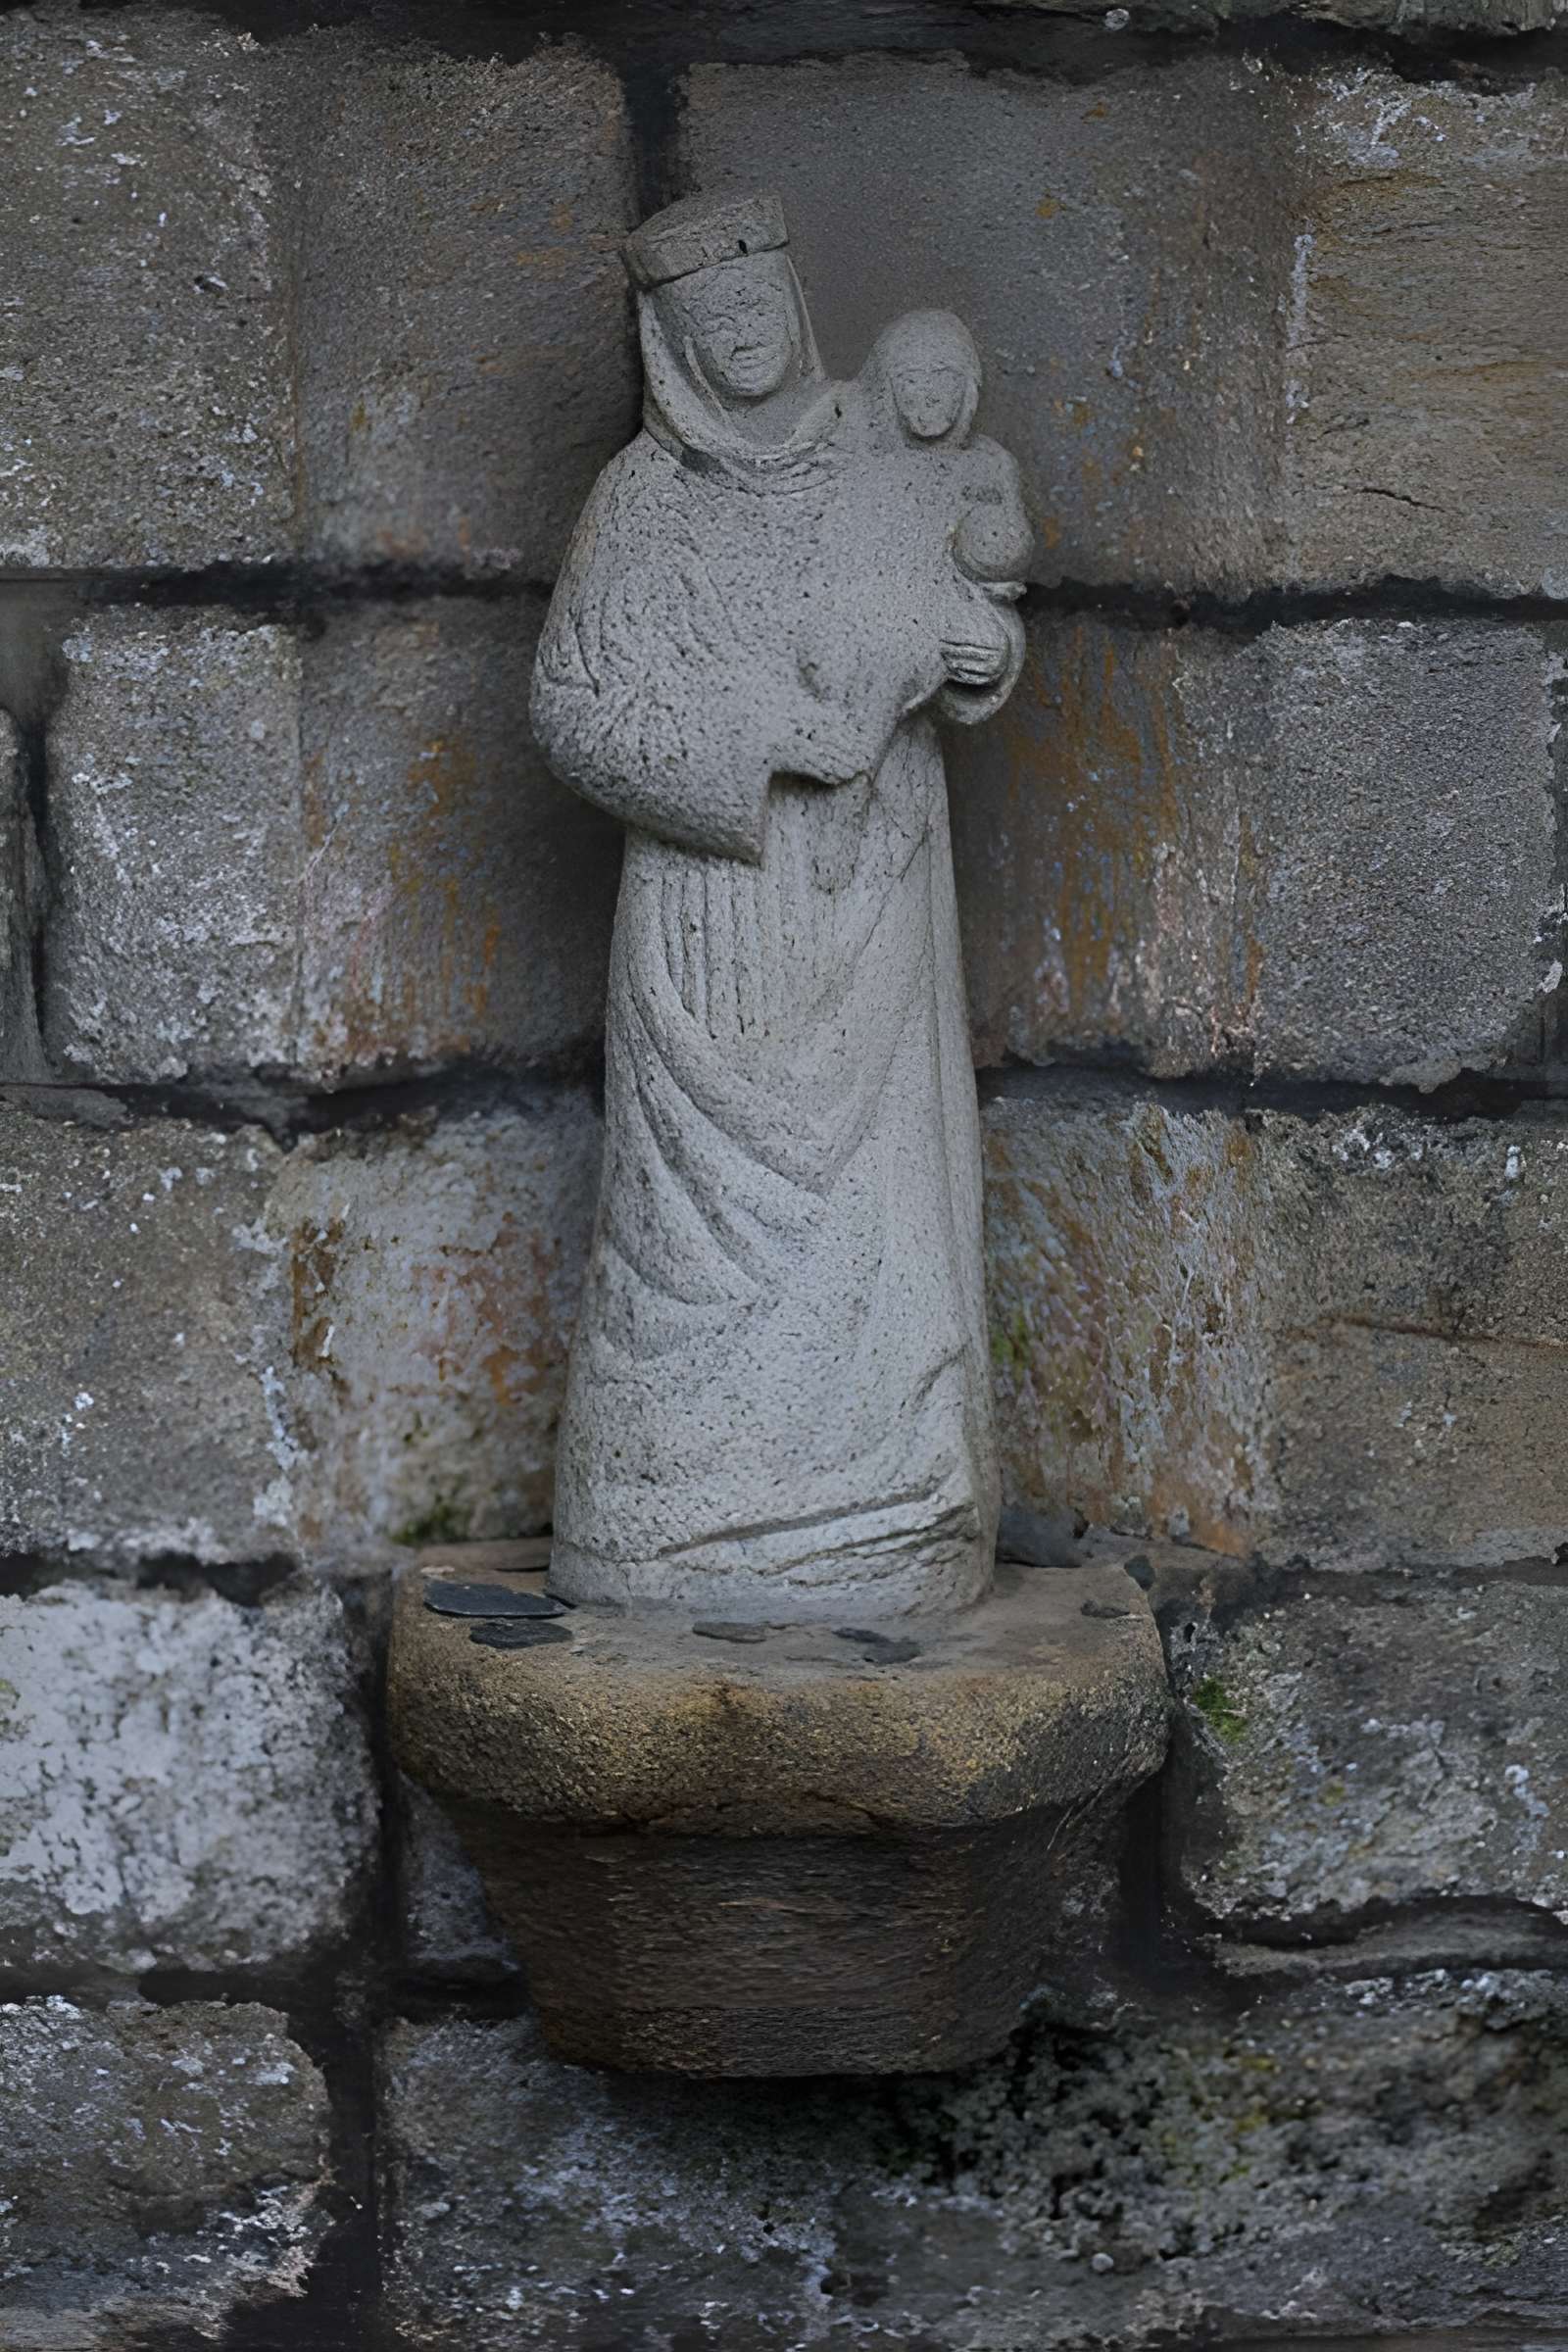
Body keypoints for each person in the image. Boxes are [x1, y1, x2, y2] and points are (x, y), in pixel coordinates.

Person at [531, 193, 1032, 1620]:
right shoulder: (642, 498)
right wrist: (755, 741)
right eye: (711, 320)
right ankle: (667, 1517)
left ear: (796, 311)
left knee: (878, 1194)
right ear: (672, 340)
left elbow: (974, 601)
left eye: (760, 305)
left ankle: (887, 1508)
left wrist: (972, 642)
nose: (743, 335)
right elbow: (572, 710)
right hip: (712, 906)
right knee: (686, 1220)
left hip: (869, 885)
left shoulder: (877, 451)